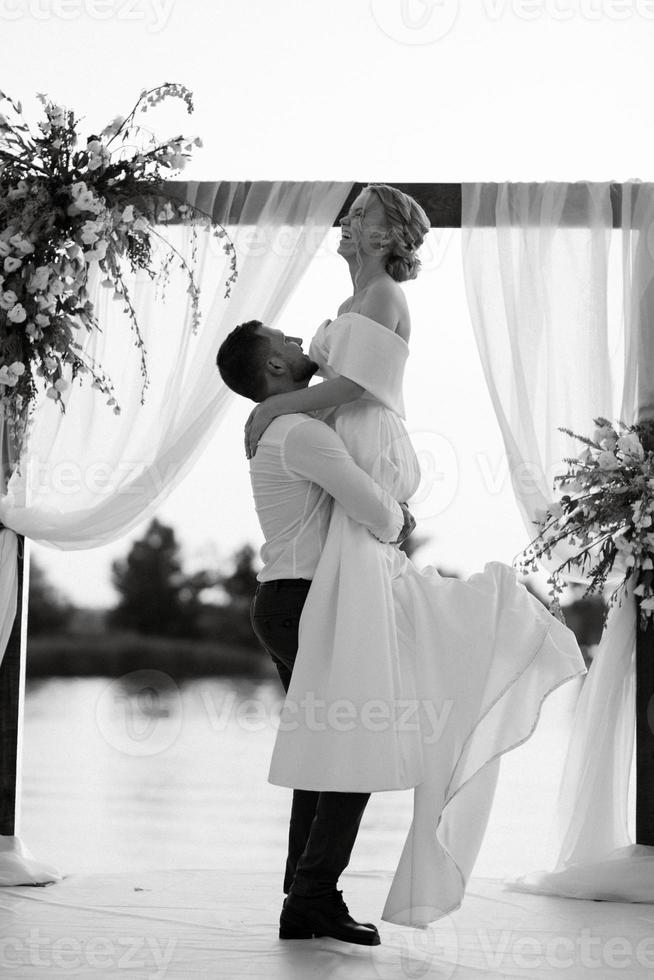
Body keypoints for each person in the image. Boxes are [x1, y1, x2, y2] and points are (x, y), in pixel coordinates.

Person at [219, 184, 588, 929]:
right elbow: (335, 387)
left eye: (364, 214)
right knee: (339, 738)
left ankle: (310, 894)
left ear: (390, 237)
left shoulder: (380, 298)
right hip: (331, 529)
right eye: (350, 212)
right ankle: (310, 896)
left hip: (355, 467)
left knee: (335, 735)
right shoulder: (342, 330)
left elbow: (355, 385)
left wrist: (272, 406)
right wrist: (288, 403)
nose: (349, 221)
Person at [217, 319, 416, 945]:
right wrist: (404, 513)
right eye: (285, 341)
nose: (301, 342)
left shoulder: (284, 427)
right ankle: (310, 897)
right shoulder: (299, 434)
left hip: (283, 600)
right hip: (307, 605)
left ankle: (302, 897)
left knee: (319, 750)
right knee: (352, 752)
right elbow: (378, 511)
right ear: (273, 368)